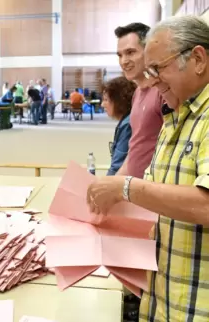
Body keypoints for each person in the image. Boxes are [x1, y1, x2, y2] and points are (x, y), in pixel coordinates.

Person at [87, 15, 209, 322]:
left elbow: (206, 206)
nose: (152, 79)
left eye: (159, 68)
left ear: (197, 59)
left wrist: (124, 187)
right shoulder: (174, 117)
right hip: (165, 296)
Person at [113, 23, 164, 179]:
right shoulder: (137, 94)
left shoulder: (163, 92)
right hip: (133, 190)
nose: (124, 61)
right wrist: (114, 182)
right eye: (120, 55)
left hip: (152, 191)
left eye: (130, 52)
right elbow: (135, 149)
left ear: (148, 50)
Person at [102, 76, 137, 175]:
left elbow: (118, 165)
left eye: (106, 100)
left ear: (119, 101)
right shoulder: (127, 120)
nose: (102, 104)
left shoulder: (127, 125)